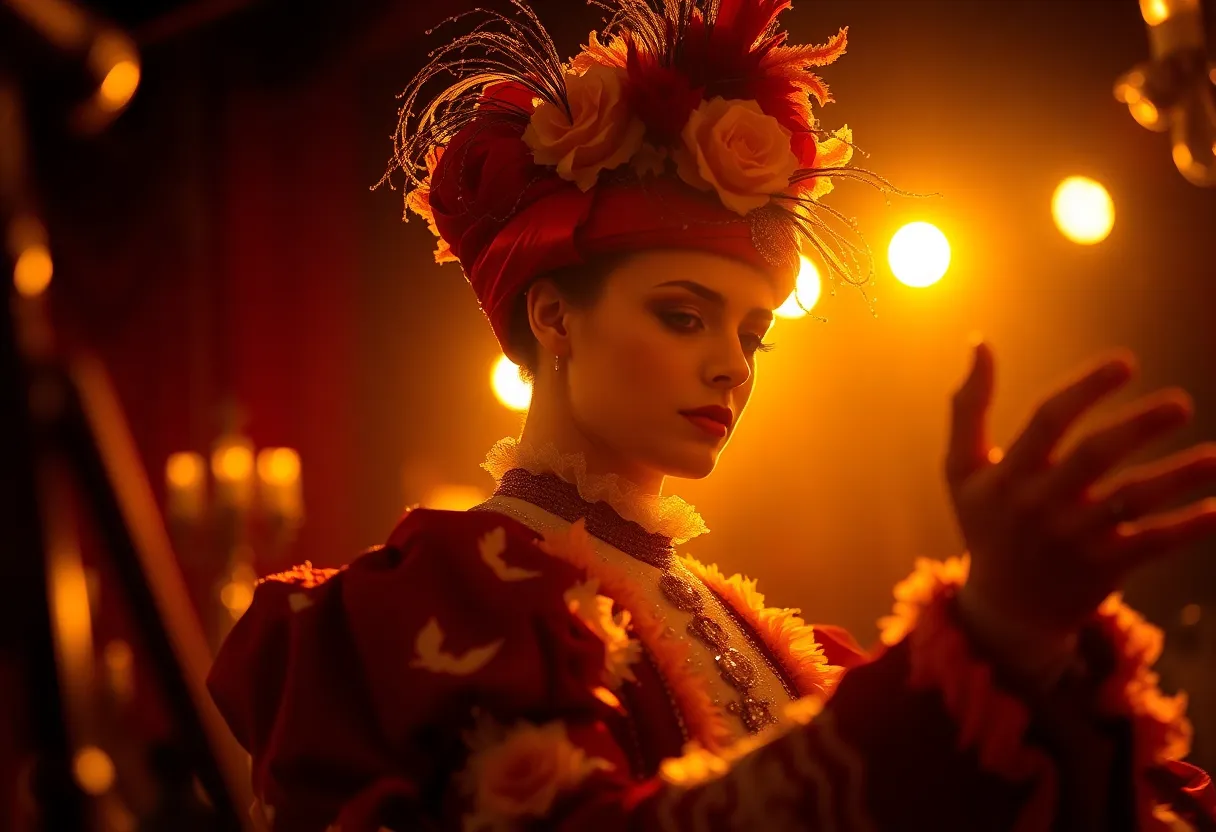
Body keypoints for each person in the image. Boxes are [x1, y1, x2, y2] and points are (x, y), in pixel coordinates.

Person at [207, 1, 1216, 829]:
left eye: (753, 333)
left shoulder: (774, 643)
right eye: (683, 316)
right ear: (554, 316)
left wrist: (1035, 647)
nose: (731, 365)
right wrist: (987, 631)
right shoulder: (450, 591)